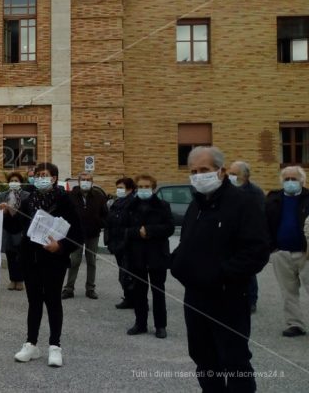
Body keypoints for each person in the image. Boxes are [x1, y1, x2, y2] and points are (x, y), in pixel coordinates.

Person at [171, 146, 270, 392]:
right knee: (203, 358)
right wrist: (176, 263)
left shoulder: (243, 203)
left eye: (204, 170)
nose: (198, 176)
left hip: (229, 297)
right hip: (195, 297)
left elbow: (257, 252)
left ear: (221, 171)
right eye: (193, 171)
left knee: (234, 360)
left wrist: (221, 274)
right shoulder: (197, 204)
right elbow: (187, 244)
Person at [2, 162, 83, 367]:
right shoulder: (29, 201)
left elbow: (78, 234)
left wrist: (60, 246)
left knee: (53, 302)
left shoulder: (65, 200)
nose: (40, 178)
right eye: (37, 175)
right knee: (34, 302)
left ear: (54, 178)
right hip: (31, 259)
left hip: (54, 260)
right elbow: (16, 227)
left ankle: (55, 346)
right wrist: (7, 213)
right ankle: (31, 344)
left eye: (44, 175)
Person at [123, 174, 174, 338]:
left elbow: (169, 228)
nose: (144, 190)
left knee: (158, 291)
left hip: (157, 255)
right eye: (141, 187)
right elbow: (123, 229)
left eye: (147, 187)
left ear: (153, 188)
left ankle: (160, 325)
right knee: (139, 292)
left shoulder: (163, 206)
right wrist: (137, 232)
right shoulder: (130, 206)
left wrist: (150, 231)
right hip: (137, 255)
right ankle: (140, 323)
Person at [265, 166, 309, 337]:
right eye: (287, 179)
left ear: (302, 181)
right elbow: (265, 223)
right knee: (288, 292)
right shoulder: (273, 199)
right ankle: (295, 324)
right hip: (281, 253)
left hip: (306, 254)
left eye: (294, 179)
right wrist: (271, 247)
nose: (290, 182)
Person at [63, 171, 108, 300]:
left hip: (93, 234)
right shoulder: (71, 196)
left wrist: (99, 223)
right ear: (78, 181)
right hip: (76, 234)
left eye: (88, 179)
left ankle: (90, 289)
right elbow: (65, 213)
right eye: (83, 179)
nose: (85, 182)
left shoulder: (98, 196)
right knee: (74, 261)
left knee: (91, 261)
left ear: (92, 182)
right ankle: (69, 288)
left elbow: (105, 214)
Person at [229, 161, 266, 314]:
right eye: (230, 173)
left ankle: (251, 300)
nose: (231, 177)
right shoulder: (228, 190)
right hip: (230, 236)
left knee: (249, 272)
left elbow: (259, 216)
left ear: (245, 176)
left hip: (247, 237)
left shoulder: (255, 193)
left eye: (235, 174)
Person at [105, 177, 136, 309]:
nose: (118, 190)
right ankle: (128, 298)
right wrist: (109, 241)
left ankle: (136, 299)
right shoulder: (117, 203)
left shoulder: (133, 203)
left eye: (121, 188)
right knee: (123, 273)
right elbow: (109, 223)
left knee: (129, 274)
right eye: (117, 187)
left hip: (128, 244)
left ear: (129, 189)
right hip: (116, 243)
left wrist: (125, 241)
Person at [0, 172, 29, 291]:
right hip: (7, 228)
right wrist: (3, 210)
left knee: (20, 255)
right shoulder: (3, 195)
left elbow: (28, 212)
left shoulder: (26, 195)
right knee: (10, 255)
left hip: (20, 229)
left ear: (20, 183)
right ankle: (12, 280)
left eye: (16, 181)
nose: (14, 183)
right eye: (12, 180)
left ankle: (20, 280)